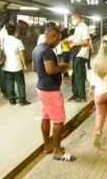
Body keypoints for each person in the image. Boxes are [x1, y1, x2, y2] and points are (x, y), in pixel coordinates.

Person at [32, 27, 75, 162]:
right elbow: (50, 70)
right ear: (51, 36)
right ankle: (57, 150)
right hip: (50, 90)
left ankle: (47, 146)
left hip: (41, 88)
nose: (58, 42)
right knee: (58, 120)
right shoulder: (47, 50)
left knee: (46, 116)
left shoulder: (36, 49)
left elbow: (34, 68)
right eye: (58, 39)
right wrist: (61, 67)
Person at [3, 26, 31, 106]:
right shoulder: (18, 41)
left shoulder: (4, 41)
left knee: (9, 83)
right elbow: (22, 55)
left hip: (6, 66)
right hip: (16, 66)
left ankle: (12, 100)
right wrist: (25, 65)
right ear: (15, 32)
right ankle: (22, 100)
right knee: (20, 83)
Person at [67, 13, 90, 102]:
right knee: (74, 75)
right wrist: (70, 41)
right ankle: (76, 93)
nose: (72, 20)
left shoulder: (84, 27)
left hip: (81, 54)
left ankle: (81, 96)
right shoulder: (78, 27)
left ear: (77, 18)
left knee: (79, 75)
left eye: (73, 18)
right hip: (76, 53)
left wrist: (74, 43)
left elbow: (86, 42)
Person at [0, 16, 12, 100]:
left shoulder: (1, 31)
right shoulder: (7, 31)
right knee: (7, 75)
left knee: (3, 74)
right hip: (7, 54)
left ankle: (6, 92)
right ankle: (7, 93)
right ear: (9, 22)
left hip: (3, 53)